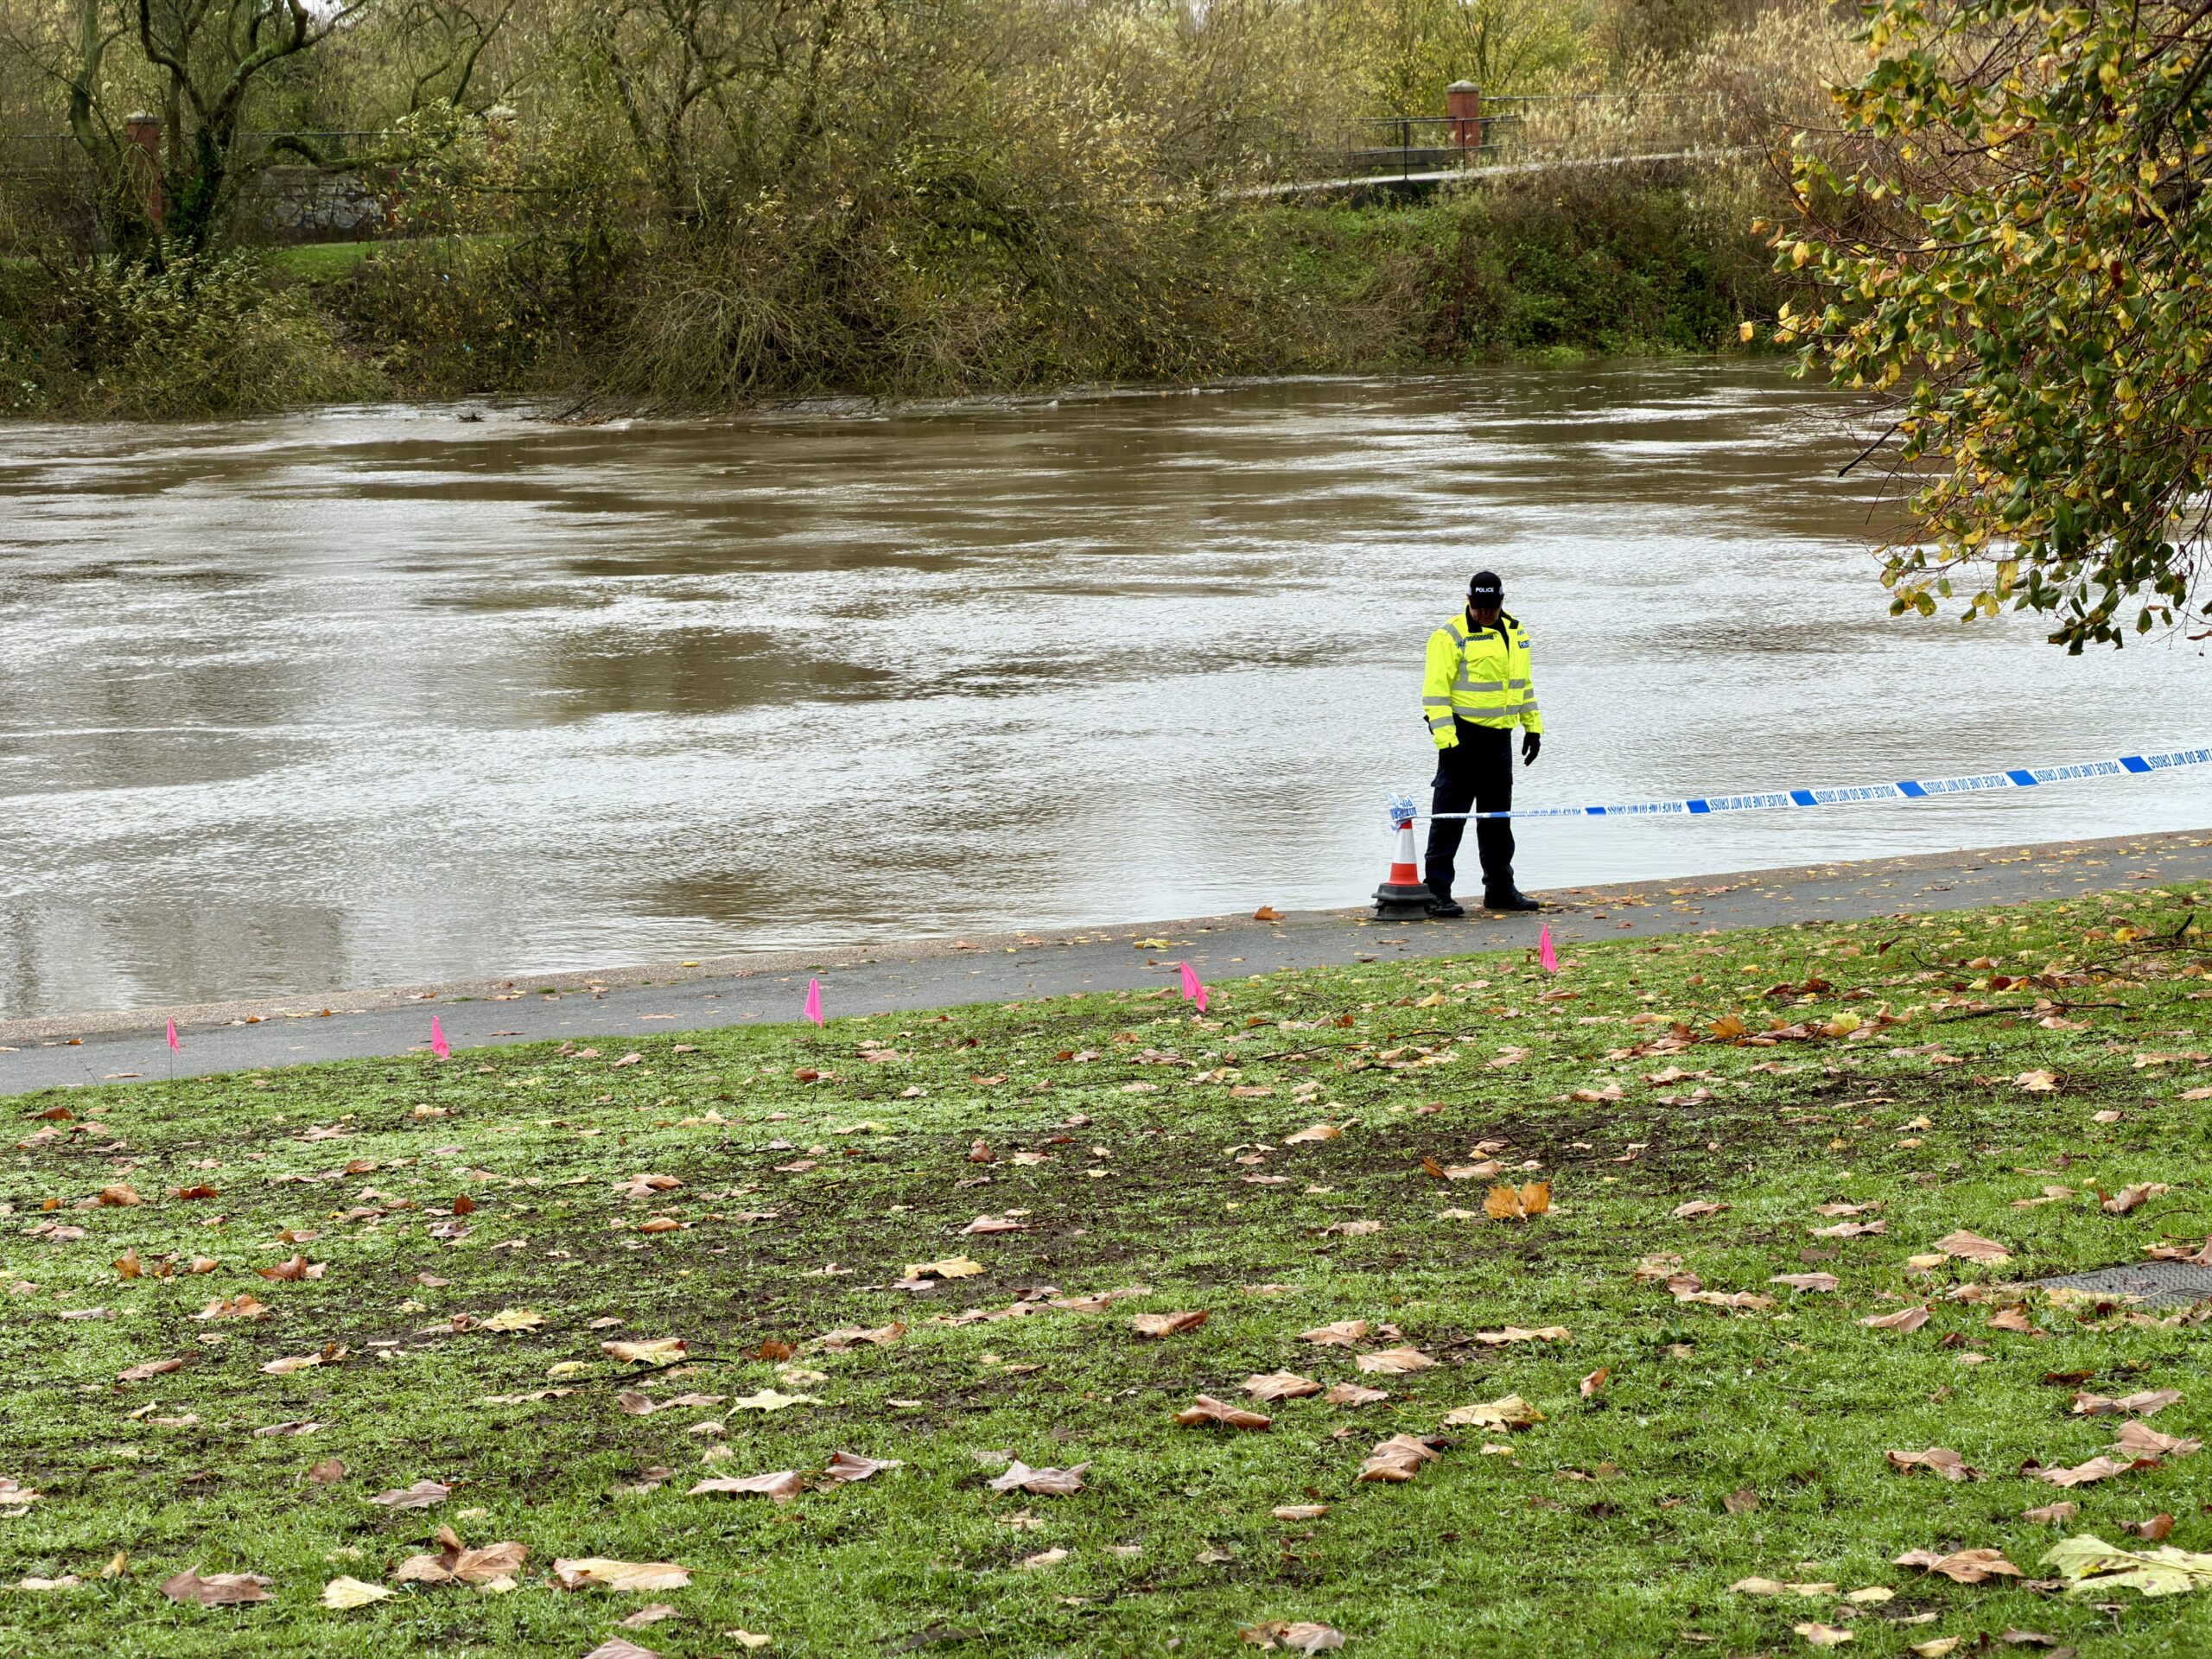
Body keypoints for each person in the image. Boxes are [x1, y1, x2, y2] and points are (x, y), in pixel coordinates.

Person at [1420, 570, 1542, 916]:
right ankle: (1437, 893)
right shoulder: (1450, 636)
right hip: (1462, 737)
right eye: (1478, 606)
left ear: (1501, 602)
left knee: (1497, 821)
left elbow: (1523, 686)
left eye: (1491, 606)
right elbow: (1434, 695)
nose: (1484, 612)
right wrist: (1448, 743)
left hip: (1499, 740)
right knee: (1448, 820)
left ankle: (1500, 891)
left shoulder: (1516, 633)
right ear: (1469, 600)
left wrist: (1533, 728)